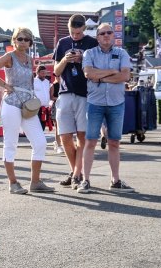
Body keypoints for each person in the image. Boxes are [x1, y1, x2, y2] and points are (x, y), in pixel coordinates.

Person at [0, 29, 53, 194]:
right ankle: (13, 183)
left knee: (40, 142)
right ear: (14, 40)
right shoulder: (10, 56)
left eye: (26, 39)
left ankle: (35, 182)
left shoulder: (30, 59)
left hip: (27, 105)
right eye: (20, 39)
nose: (23, 42)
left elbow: (29, 83)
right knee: (11, 143)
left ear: (30, 43)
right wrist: (5, 85)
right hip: (11, 103)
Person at [76, 23, 135, 194]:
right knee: (90, 141)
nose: (106, 35)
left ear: (114, 35)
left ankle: (115, 181)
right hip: (95, 103)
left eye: (109, 32)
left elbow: (125, 76)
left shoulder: (122, 53)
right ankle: (86, 180)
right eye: (102, 33)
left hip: (116, 102)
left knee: (114, 142)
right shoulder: (89, 53)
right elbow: (88, 74)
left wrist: (101, 77)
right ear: (97, 37)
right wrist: (112, 71)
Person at [51, 14, 98, 188]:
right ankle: (75, 172)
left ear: (84, 29)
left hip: (86, 93)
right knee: (64, 136)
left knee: (82, 136)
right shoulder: (63, 42)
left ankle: (77, 174)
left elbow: (97, 68)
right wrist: (65, 59)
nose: (75, 36)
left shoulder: (92, 43)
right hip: (65, 92)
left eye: (78, 33)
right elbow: (56, 71)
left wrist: (82, 59)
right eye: (72, 33)